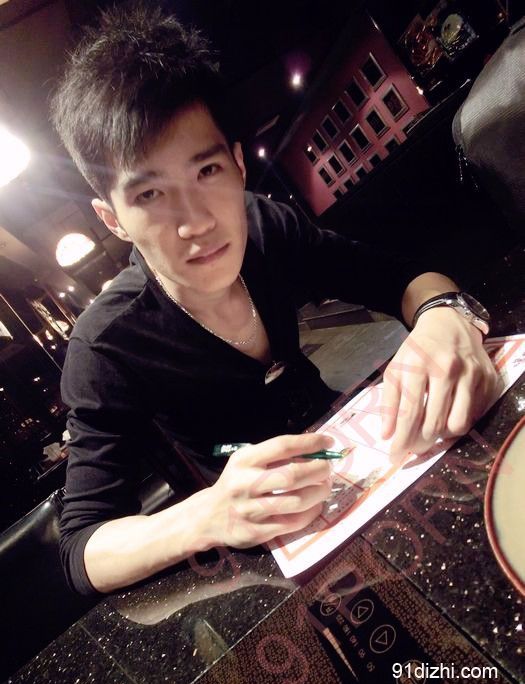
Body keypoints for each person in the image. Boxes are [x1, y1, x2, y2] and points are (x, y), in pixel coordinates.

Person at [50, 3, 497, 596]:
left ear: (238, 165)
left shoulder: (264, 227)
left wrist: (446, 318)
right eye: (150, 194)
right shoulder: (106, 344)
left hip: (364, 457)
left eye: (207, 172)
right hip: (265, 551)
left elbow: (399, 278)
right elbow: (81, 550)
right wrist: (209, 514)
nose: (195, 223)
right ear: (113, 219)